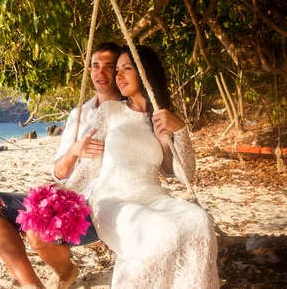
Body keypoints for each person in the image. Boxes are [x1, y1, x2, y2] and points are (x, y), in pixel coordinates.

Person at [66, 44, 219, 288]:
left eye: (126, 68)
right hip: (112, 200)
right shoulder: (110, 111)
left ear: (145, 73)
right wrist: (60, 193)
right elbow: (89, 166)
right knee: (165, 231)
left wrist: (180, 132)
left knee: (199, 220)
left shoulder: (161, 117)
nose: (118, 76)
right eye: (118, 69)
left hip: (154, 197)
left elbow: (183, 173)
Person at [0, 42, 122, 289]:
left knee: (37, 230)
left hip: (102, 205)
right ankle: (34, 285)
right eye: (95, 66)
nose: (101, 73)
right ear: (89, 71)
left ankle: (64, 272)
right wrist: (75, 152)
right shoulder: (79, 115)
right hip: (70, 199)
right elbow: (60, 174)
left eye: (109, 66)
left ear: (119, 71)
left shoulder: (131, 111)